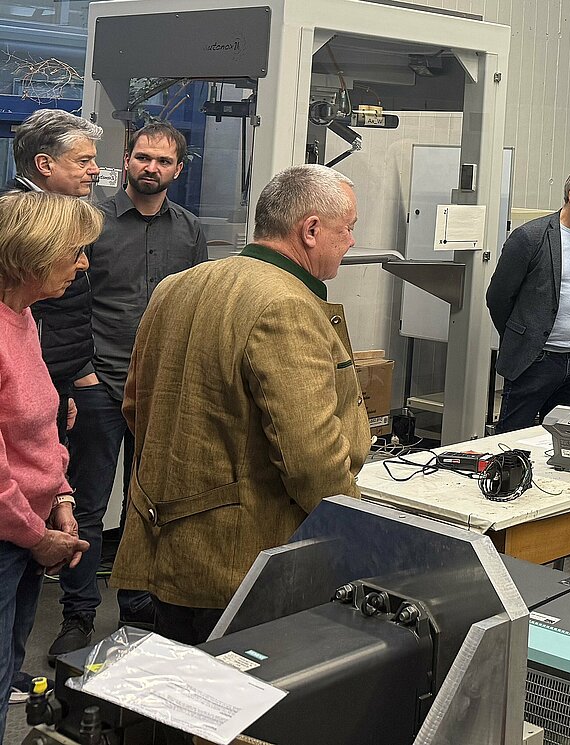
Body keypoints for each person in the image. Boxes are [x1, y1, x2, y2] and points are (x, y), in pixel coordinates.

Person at [113, 165, 371, 645]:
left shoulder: (175, 286)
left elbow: (136, 407)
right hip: (243, 561)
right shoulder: (287, 305)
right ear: (310, 230)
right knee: (240, 707)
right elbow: (310, 458)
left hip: (169, 546)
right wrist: (350, 533)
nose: (351, 242)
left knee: (177, 700)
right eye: (347, 228)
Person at [48, 122, 206, 661]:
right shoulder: (91, 225)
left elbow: (193, 311)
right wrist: (82, 374)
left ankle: (139, 608)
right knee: (86, 504)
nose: (150, 168)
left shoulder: (189, 231)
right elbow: (67, 304)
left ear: (178, 170)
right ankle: (77, 615)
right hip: (100, 385)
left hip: (160, 390)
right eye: (142, 157)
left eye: (163, 161)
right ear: (127, 159)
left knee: (149, 502)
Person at [0, 191, 97, 727]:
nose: (83, 264)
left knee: (10, 663)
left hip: (26, 530)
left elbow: (37, 430)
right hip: (11, 534)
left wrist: (59, 495)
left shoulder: (25, 317)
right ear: (33, 253)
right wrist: (37, 539)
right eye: (75, 251)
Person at [486, 163, 570, 433]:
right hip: (535, 362)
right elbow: (498, 298)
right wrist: (523, 339)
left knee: (562, 443)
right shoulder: (530, 237)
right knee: (512, 442)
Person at [8, 110, 102, 445]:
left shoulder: (60, 214)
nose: (95, 171)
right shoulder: (21, 223)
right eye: (83, 161)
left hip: (52, 380)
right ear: (45, 165)